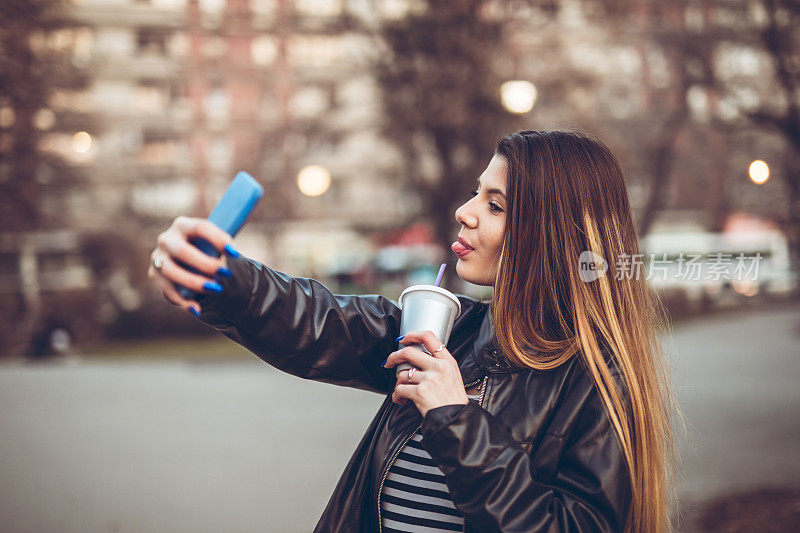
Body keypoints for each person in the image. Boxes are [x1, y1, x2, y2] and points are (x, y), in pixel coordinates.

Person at [148, 130, 675, 532]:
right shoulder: (455, 334)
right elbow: (324, 322)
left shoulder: (599, 378)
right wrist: (219, 279)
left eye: (495, 205)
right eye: (476, 194)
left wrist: (456, 420)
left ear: (549, 235)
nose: (464, 213)